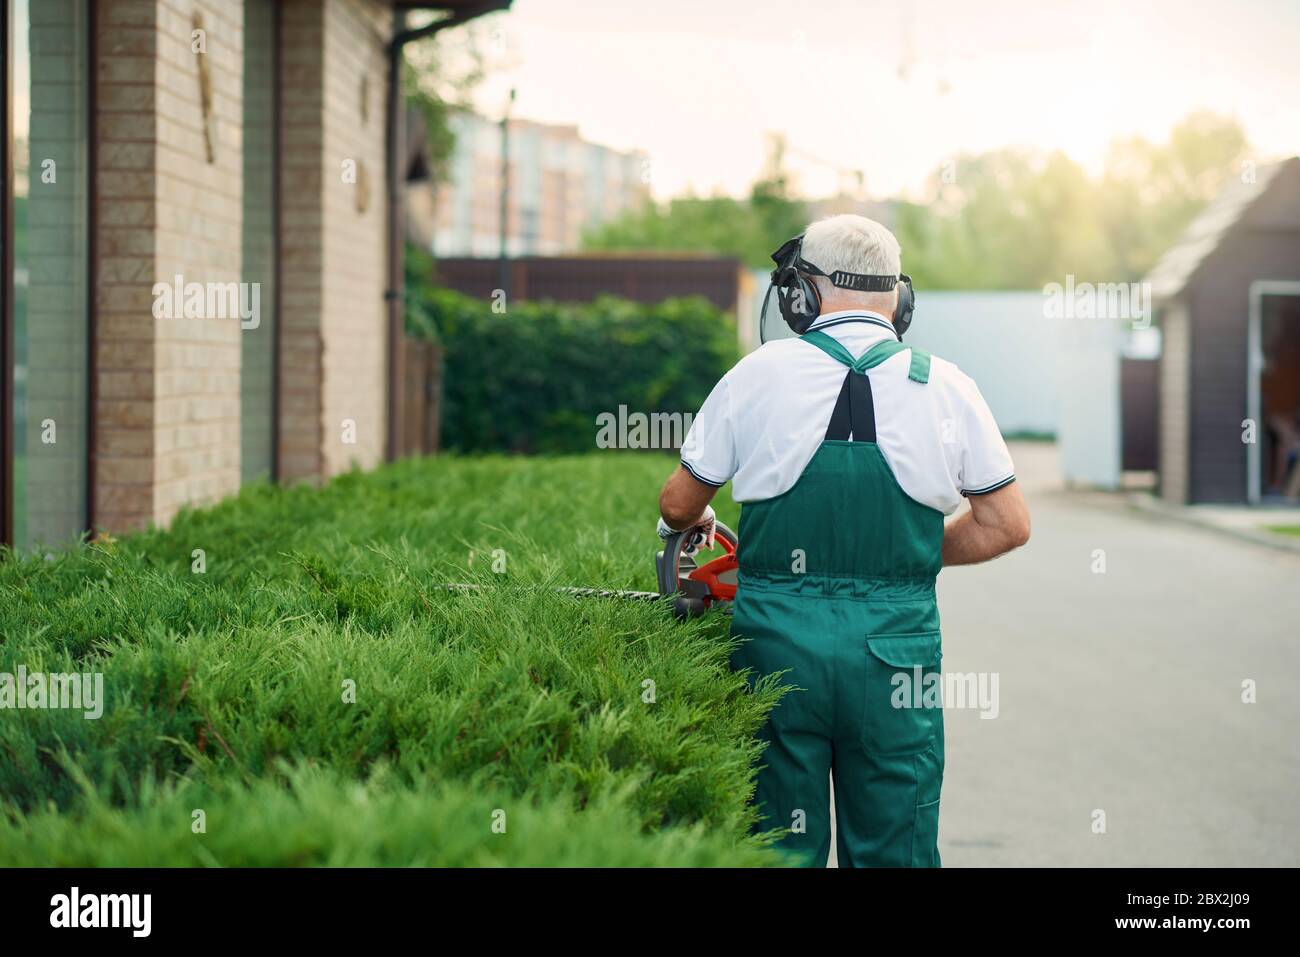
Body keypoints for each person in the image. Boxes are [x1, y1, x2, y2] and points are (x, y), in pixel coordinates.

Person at [656, 214, 1030, 867]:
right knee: (895, 849)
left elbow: (679, 503)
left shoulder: (757, 374)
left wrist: (689, 532)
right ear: (899, 298)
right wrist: (904, 557)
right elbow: (1007, 523)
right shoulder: (948, 385)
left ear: (801, 292)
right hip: (896, 658)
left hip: (775, 651)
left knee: (775, 845)